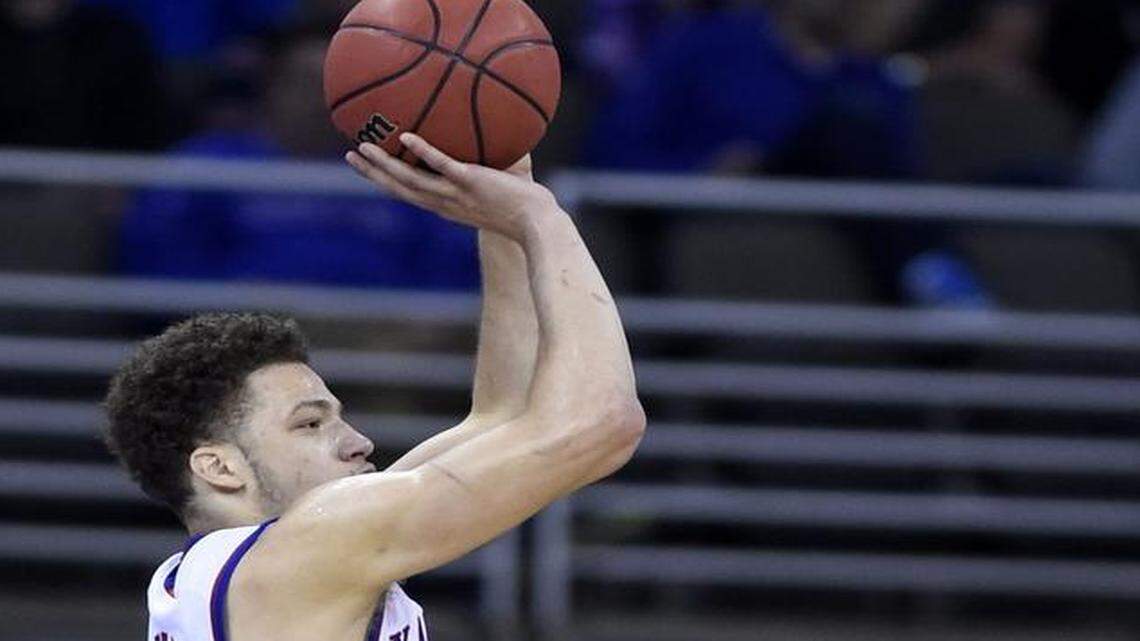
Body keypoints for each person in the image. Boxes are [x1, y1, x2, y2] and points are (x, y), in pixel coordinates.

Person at [103, 133, 646, 641]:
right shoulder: (304, 552)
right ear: (219, 467)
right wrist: (541, 220)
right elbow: (603, 423)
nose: (359, 442)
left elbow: (502, 417)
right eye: (310, 424)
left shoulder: (239, 566)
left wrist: (506, 199)